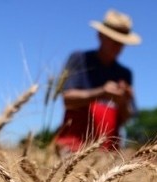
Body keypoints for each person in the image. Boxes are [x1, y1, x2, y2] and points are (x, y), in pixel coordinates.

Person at [55, 9, 141, 153]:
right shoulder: (80, 59)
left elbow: (126, 119)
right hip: (73, 147)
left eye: (121, 42)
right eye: (113, 40)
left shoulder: (125, 74)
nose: (117, 46)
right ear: (100, 35)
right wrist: (102, 92)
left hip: (108, 152)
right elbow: (67, 99)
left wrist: (123, 102)